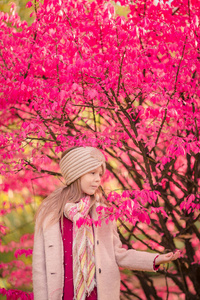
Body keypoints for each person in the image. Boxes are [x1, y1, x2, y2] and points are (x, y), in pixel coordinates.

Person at [32, 146, 180, 300]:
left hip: (97, 295)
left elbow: (118, 255)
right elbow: (40, 267)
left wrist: (156, 259)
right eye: (92, 173)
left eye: (100, 174)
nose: (98, 179)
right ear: (76, 174)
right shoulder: (50, 213)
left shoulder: (102, 212)